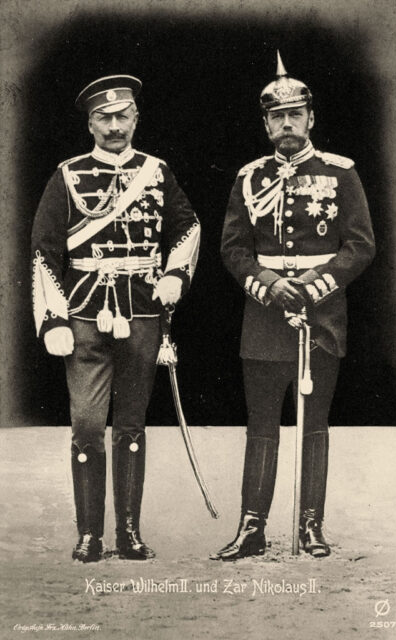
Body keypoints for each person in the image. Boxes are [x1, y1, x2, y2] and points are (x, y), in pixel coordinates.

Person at [211, 52, 375, 560]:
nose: (287, 124)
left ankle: (310, 526)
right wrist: (265, 283)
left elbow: (361, 246)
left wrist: (315, 284)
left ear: (311, 118)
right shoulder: (249, 178)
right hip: (263, 320)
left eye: (295, 114)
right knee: (261, 425)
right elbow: (233, 248)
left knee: (315, 422)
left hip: (321, 318)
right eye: (277, 116)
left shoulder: (340, 173)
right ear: (265, 123)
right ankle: (252, 528)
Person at [31, 75, 200, 563]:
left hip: (144, 313)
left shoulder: (157, 171)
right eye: (103, 118)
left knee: (130, 425)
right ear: (90, 124)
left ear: (135, 119)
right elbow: (45, 250)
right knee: (86, 424)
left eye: (121, 116)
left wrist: (174, 276)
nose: (113, 126)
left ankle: (127, 534)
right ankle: (89, 535)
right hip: (85, 313)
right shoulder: (67, 174)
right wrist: (53, 319)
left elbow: (187, 226)